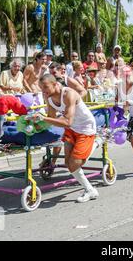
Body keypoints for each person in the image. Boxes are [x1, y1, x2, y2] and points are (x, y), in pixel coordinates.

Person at [35, 74, 99, 203]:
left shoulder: (69, 94)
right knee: (69, 166)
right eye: (41, 88)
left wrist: (44, 118)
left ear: (55, 84)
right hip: (72, 129)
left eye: (45, 87)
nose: (43, 91)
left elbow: (67, 121)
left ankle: (96, 142)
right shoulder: (49, 97)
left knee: (74, 164)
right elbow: (51, 118)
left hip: (85, 128)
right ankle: (90, 190)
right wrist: (35, 124)